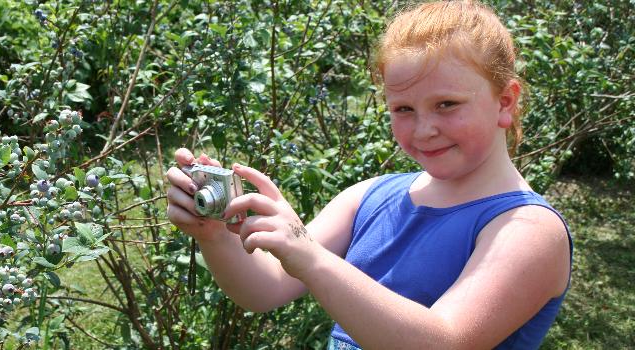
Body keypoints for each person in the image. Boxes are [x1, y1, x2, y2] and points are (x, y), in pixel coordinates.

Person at [165, 1, 572, 348]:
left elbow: (444, 340)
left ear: (505, 102)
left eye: (447, 104)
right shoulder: (370, 196)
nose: (424, 128)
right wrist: (214, 235)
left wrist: (309, 256)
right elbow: (264, 289)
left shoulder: (529, 230)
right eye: (404, 109)